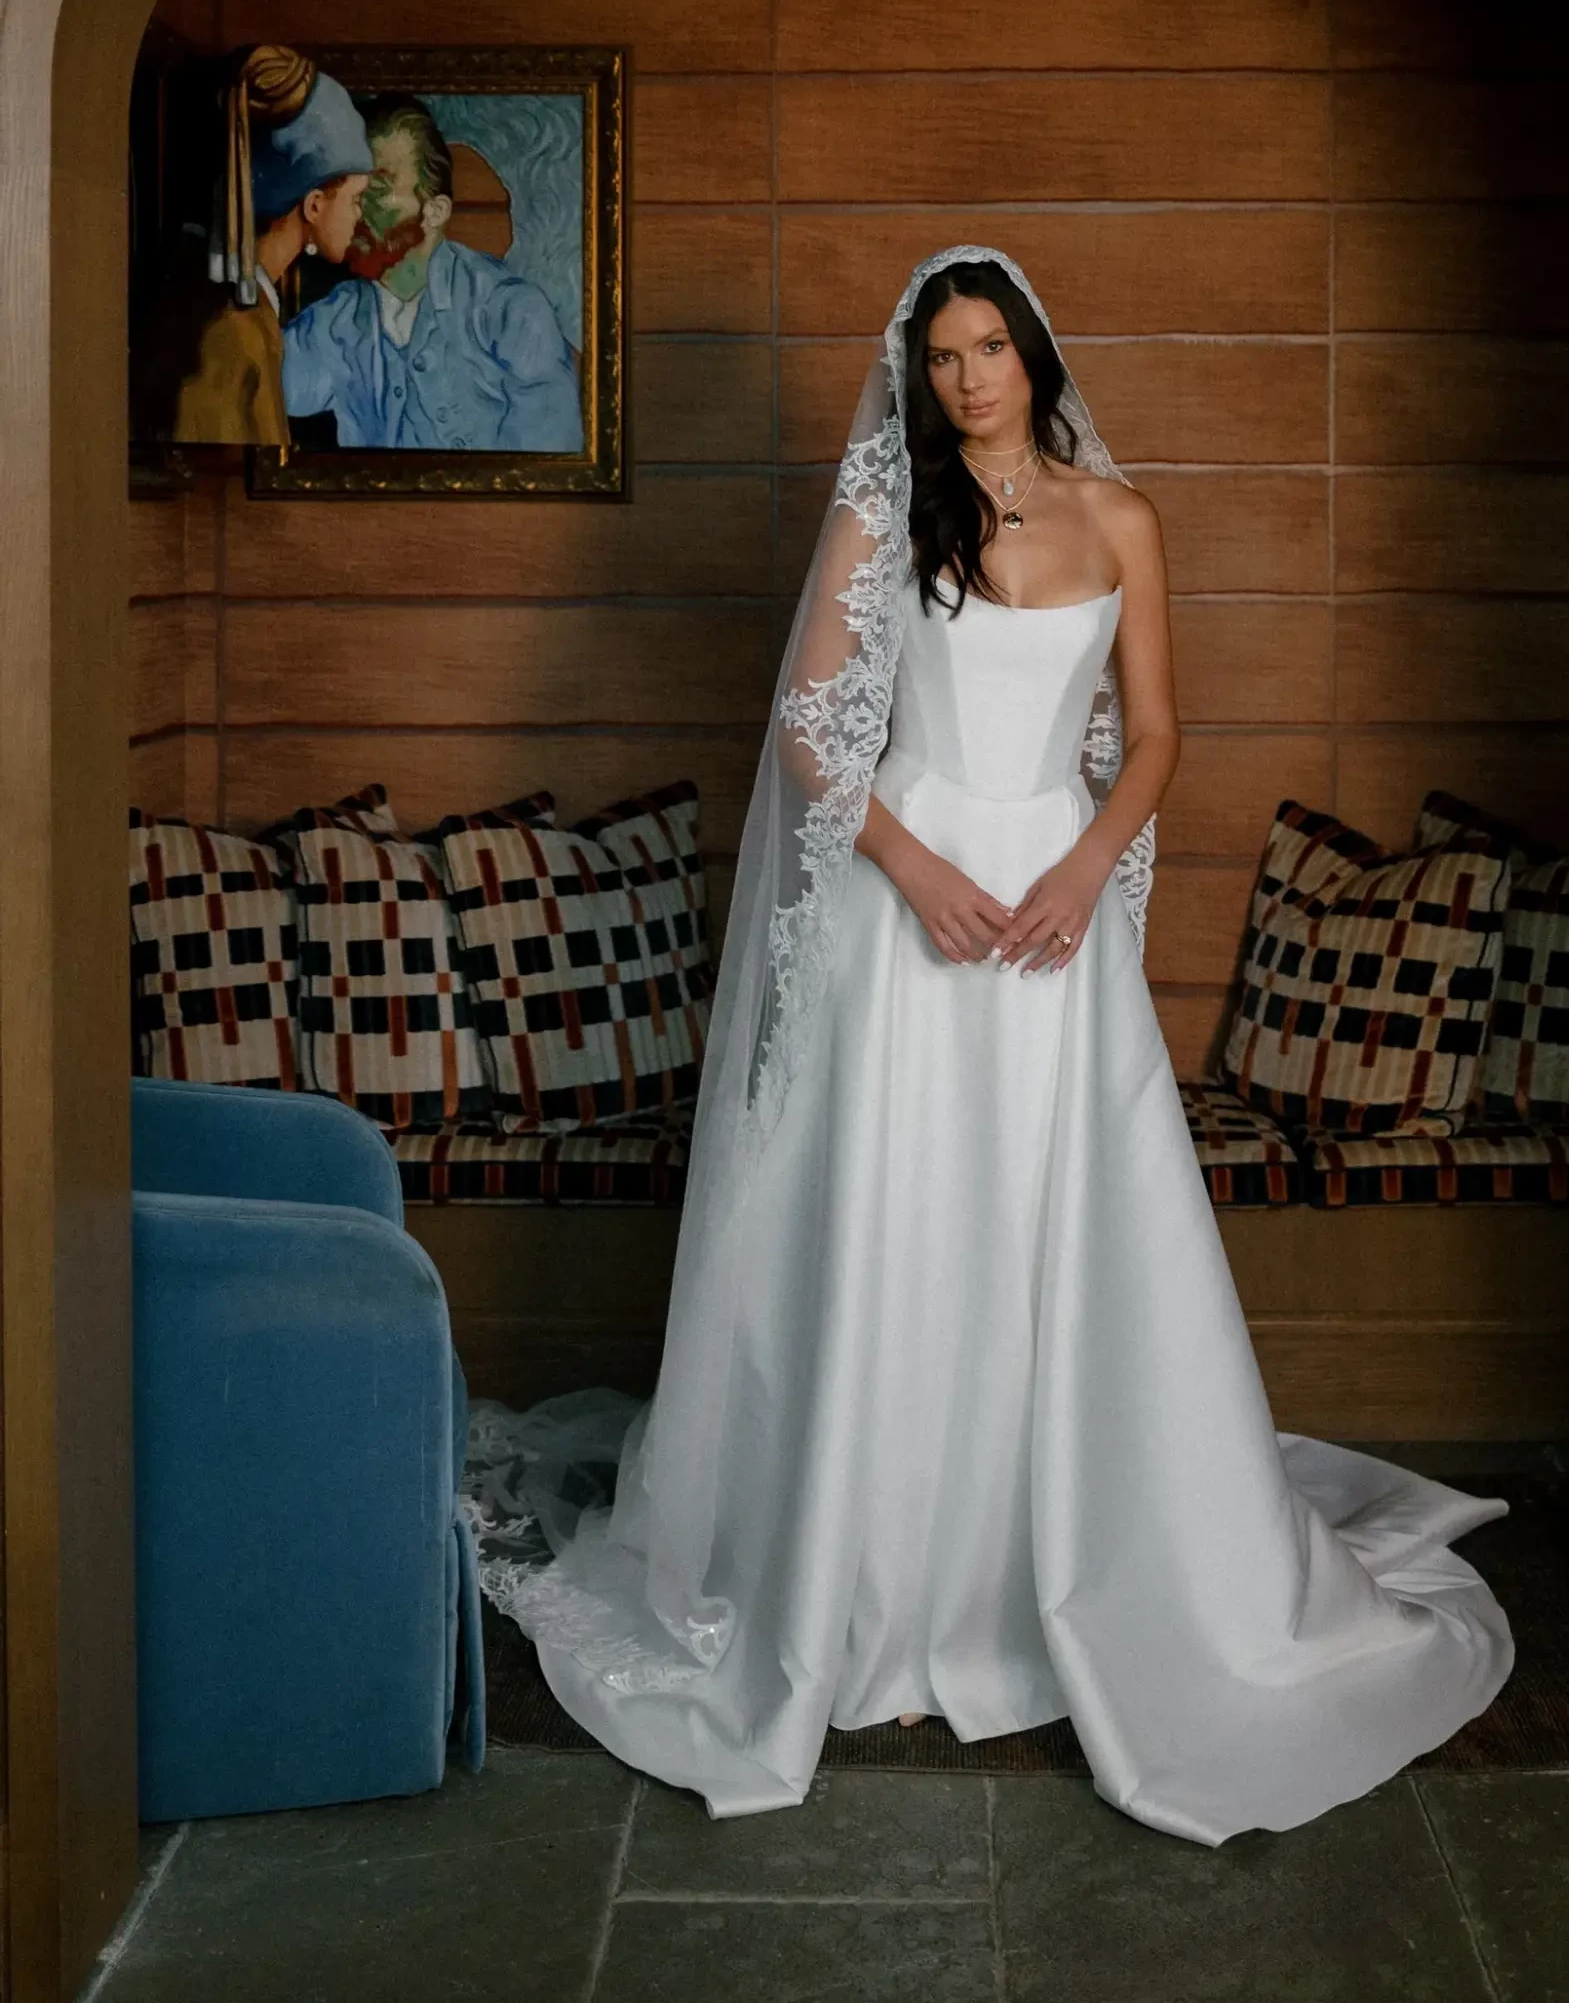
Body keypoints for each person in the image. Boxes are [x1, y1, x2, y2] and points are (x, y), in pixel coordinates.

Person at [470, 247, 1513, 1844]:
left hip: (1057, 905)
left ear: (1034, 354)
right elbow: (814, 736)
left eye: (990, 349)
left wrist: (1088, 868)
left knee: (1051, 1230)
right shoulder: (882, 516)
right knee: (901, 1226)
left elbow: (1155, 730)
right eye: (943, 356)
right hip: (917, 897)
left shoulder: (1120, 519)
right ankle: (867, 1586)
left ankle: (1056, 1582)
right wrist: (922, 872)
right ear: (921, 374)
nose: (968, 378)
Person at [281, 96, 581, 454]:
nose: (356, 208)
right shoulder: (335, 320)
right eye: (351, 189)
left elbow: (549, 457)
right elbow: (258, 391)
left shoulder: (512, 312)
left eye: (376, 188)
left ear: (435, 212)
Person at [165, 47, 373, 445]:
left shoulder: (243, 306)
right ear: (314, 205)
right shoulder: (231, 330)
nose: (360, 217)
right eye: (354, 200)